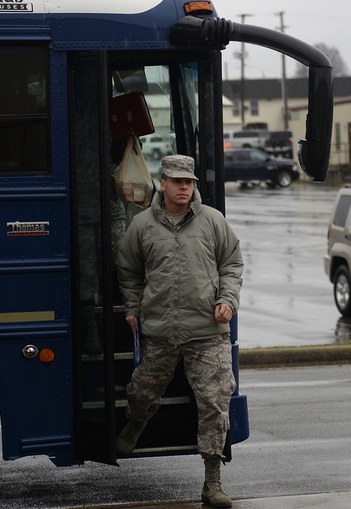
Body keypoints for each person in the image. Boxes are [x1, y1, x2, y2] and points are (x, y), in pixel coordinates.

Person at [114, 154, 243, 508]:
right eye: (178, 181)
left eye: (190, 182)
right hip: (160, 331)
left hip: (208, 331)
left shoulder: (213, 221)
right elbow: (128, 270)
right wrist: (131, 308)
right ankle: (135, 425)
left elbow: (232, 264)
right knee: (141, 391)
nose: (185, 187)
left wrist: (228, 299)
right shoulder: (142, 226)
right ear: (164, 184)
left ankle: (212, 480)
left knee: (216, 404)